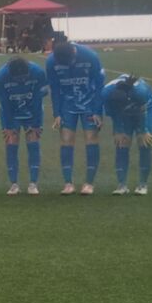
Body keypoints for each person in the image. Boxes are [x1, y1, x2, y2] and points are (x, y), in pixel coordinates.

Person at [46, 35, 106, 195]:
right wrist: (57, 113)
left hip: (89, 103)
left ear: (74, 52)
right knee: (66, 139)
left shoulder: (90, 56)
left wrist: (97, 111)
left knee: (91, 137)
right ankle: (68, 183)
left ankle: (89, 183)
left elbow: (100, 85)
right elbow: (54, 88)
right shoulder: (51, 61)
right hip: (67, 104)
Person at [0, 56, 48, 195]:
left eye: (24, 78)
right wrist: (8, 126)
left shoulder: (38, 73)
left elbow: (38, 100)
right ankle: (14, 184)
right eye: (18, 79)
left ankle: (33, 184)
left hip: (32, 110)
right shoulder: (0, 76)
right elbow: (4, 103)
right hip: (11, 112)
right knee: (11, 142)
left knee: (33, 141)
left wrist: (36, 123)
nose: (21, 81)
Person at [103, 74, 152, 196]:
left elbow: (142, 113)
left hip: (147, 108)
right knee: (122, 143)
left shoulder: (140, 93)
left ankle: (143, 184)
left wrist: (143, 131)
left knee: (144, 142)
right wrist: (118, 130)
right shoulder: (106, 94)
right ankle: (122, 185)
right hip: (122, 114)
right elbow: (114, 114)